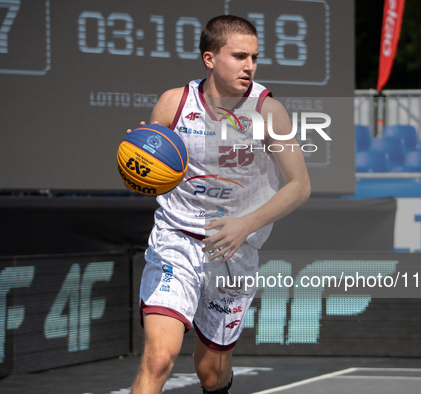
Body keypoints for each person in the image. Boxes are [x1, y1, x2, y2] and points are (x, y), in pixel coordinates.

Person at [127, 15, 311, 394]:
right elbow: (151, 164)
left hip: (233, 249)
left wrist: (246, 224)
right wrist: (139, 159)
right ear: (210, 59)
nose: (250, 66)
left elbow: (299, 185)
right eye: (240, 56)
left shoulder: (266, 111)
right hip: (176, 240)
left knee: (211, 373)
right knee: (159, 358)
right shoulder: (174, 103)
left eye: (255, 57)